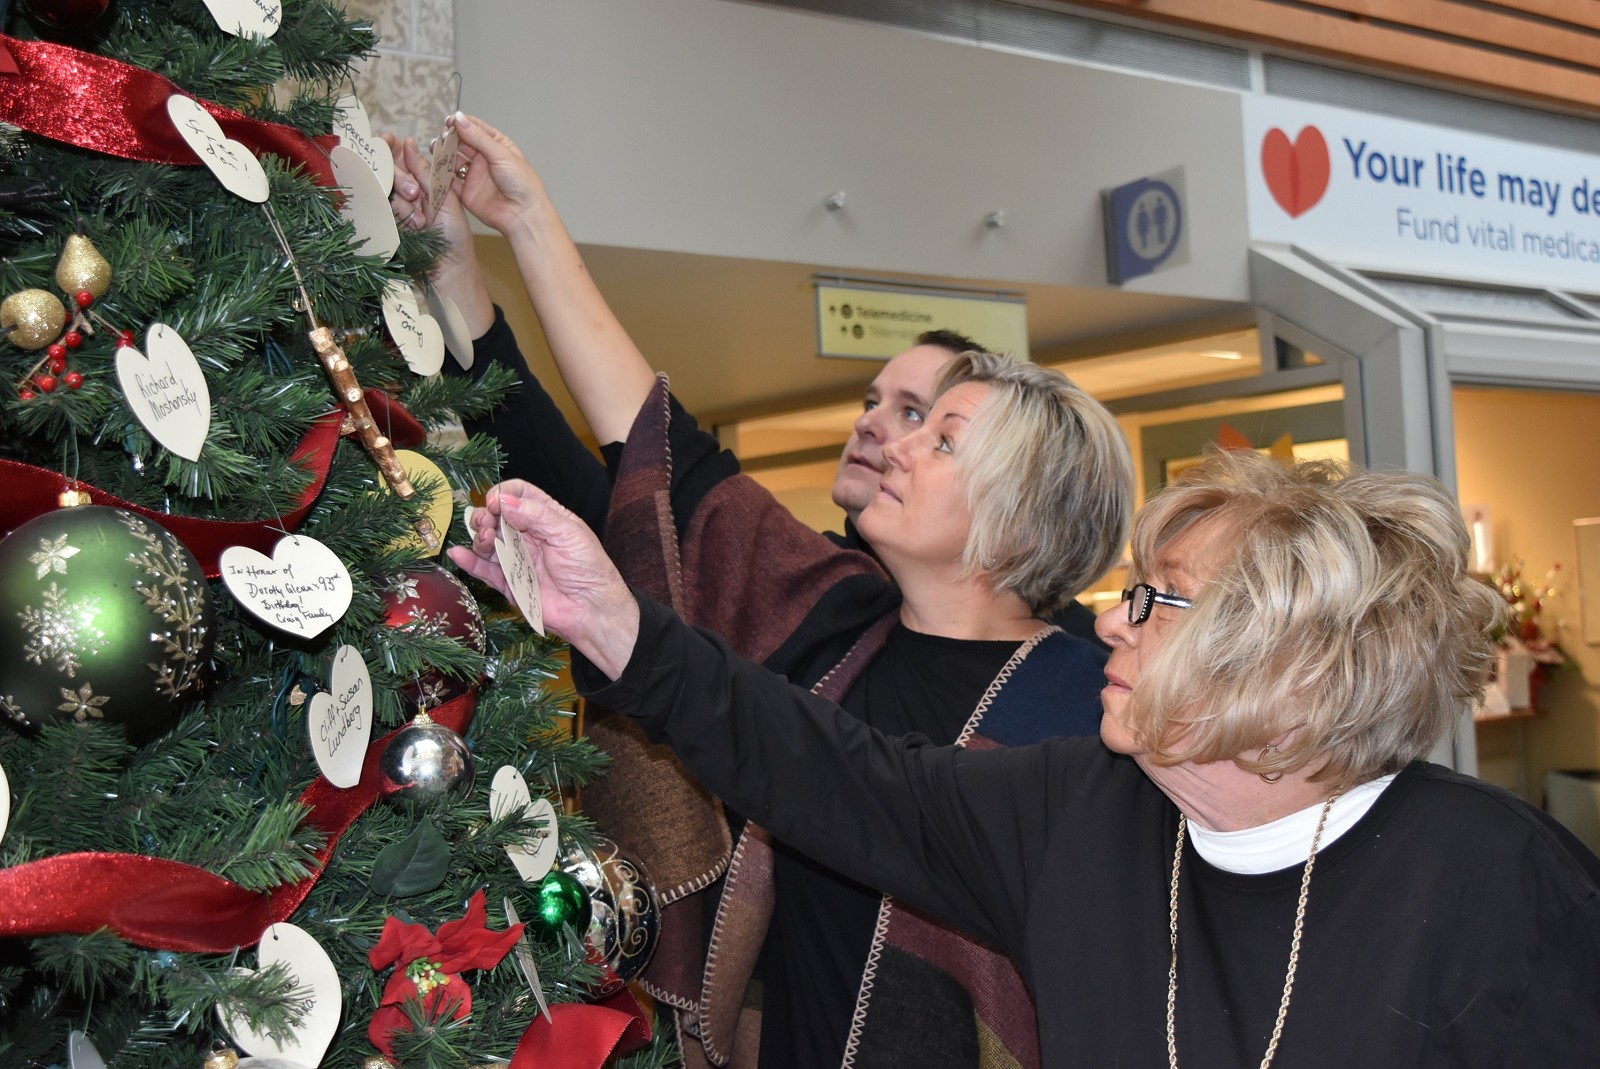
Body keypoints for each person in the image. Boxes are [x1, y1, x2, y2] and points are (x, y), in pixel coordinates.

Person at [453, 448, 1600, 1068]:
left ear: (1297, 667)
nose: (1110, 619)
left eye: (1158, 601)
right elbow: (831, 772)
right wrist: (613, 627)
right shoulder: (1081, 810)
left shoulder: (1499, 881)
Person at [392, 116, 1131, 1067]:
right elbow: (662, 447)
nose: (889, 444)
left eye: (939, 437)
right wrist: (526, 225)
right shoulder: (832, 621)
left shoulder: (1090, 708)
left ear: (1026, 517)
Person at [385, 126, 1106, 648]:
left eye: (927, 423)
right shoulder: (811, 593)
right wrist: (467, 267)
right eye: (874, 403)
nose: (886, 435)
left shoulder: (1071, 683)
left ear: (1019, 505)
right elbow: (637, 462)